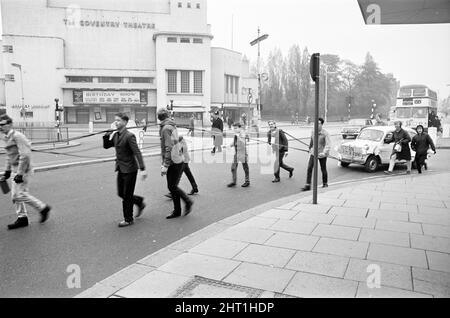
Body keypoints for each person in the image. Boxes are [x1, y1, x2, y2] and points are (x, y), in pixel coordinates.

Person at [0, 114, 51, 230]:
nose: (0, 127)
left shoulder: (18, 136)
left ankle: (43, 208)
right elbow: (9, 155)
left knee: (20, 194)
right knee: (15, 196)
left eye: (2, 124)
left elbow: (25, 155)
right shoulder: (6, 137)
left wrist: (20, 173)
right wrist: (7, 171)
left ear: (10, 124)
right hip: (14, 169)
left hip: (23, 170)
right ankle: (22, 218)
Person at [103, 113, 147, 227]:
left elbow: (137, 152)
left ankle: (128, 219)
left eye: (118, 120)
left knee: (127, 196)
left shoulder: (129, 136)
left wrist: (143, 168)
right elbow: (107, 145)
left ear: (125, 122)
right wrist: (107, 134)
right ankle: (138, 201)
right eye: (115, 120)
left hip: (130, 169)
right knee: (121, 193)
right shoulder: (116, 135)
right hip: (121, 168)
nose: (116, 122)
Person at [159, 108, 193, 219]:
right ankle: (177, 210)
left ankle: (187, 202)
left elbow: (168, 147)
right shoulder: (172, 126)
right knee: (173, 186)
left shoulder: (165, 128)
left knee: (172, 186)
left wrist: (165, 164)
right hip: (177, 159)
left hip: (174, 161)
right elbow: (173, 141)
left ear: (159, 118)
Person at [301, 118, 331, 191]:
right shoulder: (313, 131)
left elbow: (328, 144)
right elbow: (312, 140)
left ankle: (325, 183)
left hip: (322, 154)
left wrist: (324, 152)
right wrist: (309, 148)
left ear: (322, 124)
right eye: (316, 123)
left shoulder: (325, 133)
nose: (317, 125)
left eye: (319, 123)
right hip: (314, 153)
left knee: (323, 168)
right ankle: (308, 185)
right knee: (309, 167)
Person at [228, 123, 250, 188]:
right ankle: (234, 182)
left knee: (245, 168)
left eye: (236, 128)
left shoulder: (242, 133)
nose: (234, 129)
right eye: (234, 128)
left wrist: (238, 136)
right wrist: (230, 145)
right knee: (233, 168)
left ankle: (247, 181)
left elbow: (243, 142)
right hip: (237, 153)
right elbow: (234, 142)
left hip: (243, 153)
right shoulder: (236, 134)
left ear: (240, 128)